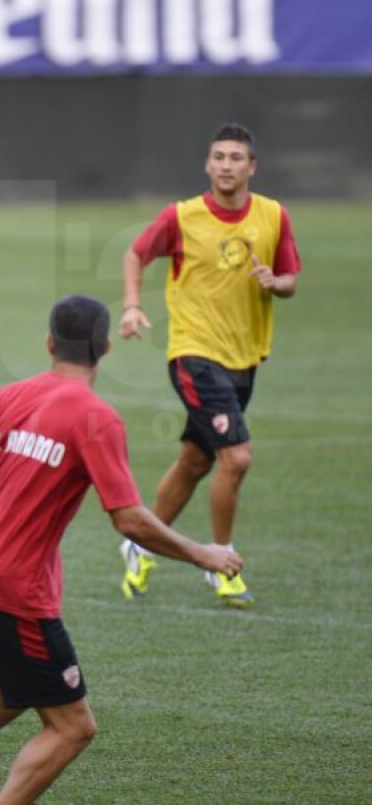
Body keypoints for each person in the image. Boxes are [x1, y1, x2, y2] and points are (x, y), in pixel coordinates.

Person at [0, 295, 244, 805]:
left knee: (7, 695)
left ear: (49, 344)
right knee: (73, 726)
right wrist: (204, 553)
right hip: (14, 588)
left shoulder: (8, 397)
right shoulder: (96, 417)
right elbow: (129, 518)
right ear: (106, 348)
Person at [118, 123, 301, 607]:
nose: (226, 165)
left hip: (244, 359)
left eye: (236, 157)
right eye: (218, 156)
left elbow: (290, 280)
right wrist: (133, 306)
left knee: (196, 461)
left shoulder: (273, 216)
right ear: (207, 163)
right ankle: (221, 559)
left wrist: (273, 282)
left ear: (252, 167)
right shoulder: (183, 217)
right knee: (236, 457)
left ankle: (139, 543)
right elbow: (137, 253)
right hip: (194, 354)